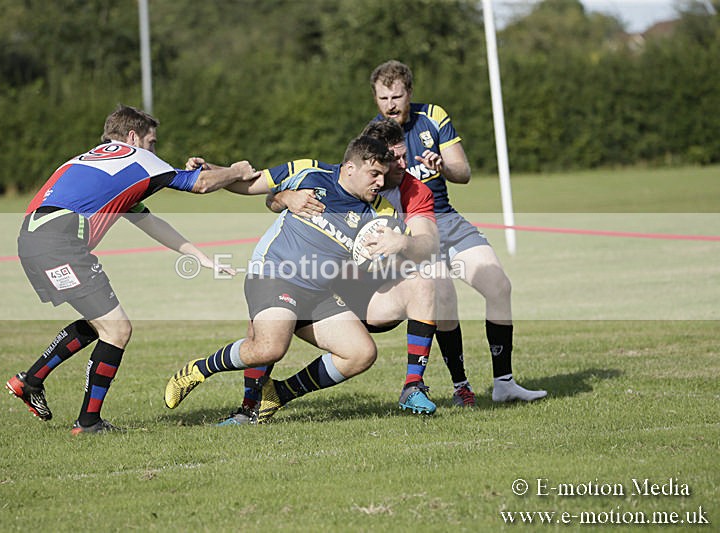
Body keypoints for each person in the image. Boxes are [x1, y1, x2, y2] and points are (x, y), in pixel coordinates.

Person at [6, 104, 259, 434]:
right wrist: (237, 170)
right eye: (152, 141)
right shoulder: (137, 157)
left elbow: (147, 221)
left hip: (32, 240)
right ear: (132, 136)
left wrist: (198, 255)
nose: (155, 149)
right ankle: (88, 423)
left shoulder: (93, 160)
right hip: (60, 243)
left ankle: (30, 381)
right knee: (117, 330)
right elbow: (200, 184)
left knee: (100, 322)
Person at [163, 135, 427, 423]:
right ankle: (199, 369)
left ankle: (277, 393)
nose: (379, 183)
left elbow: (418, 251)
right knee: (270, 347)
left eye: (383, 176)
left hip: (318, 291)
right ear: (349, 167)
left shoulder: (381, 213)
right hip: (275, 274)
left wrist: (401, 244)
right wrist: (212, 171)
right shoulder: (309, 171)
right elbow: (250, 183)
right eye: (374, 174)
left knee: (361, 353)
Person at [370, 60, 547, 405]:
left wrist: (442, 165)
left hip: (447, 220)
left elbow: (463, 172)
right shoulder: (374, 134)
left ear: (410, 92)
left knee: (499, 286)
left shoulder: (433, 117)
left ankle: (504, 383)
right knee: (445, 300)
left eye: (397, 95)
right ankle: (461, 386)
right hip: (412, 228)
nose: (390, 104)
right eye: (382, 97)